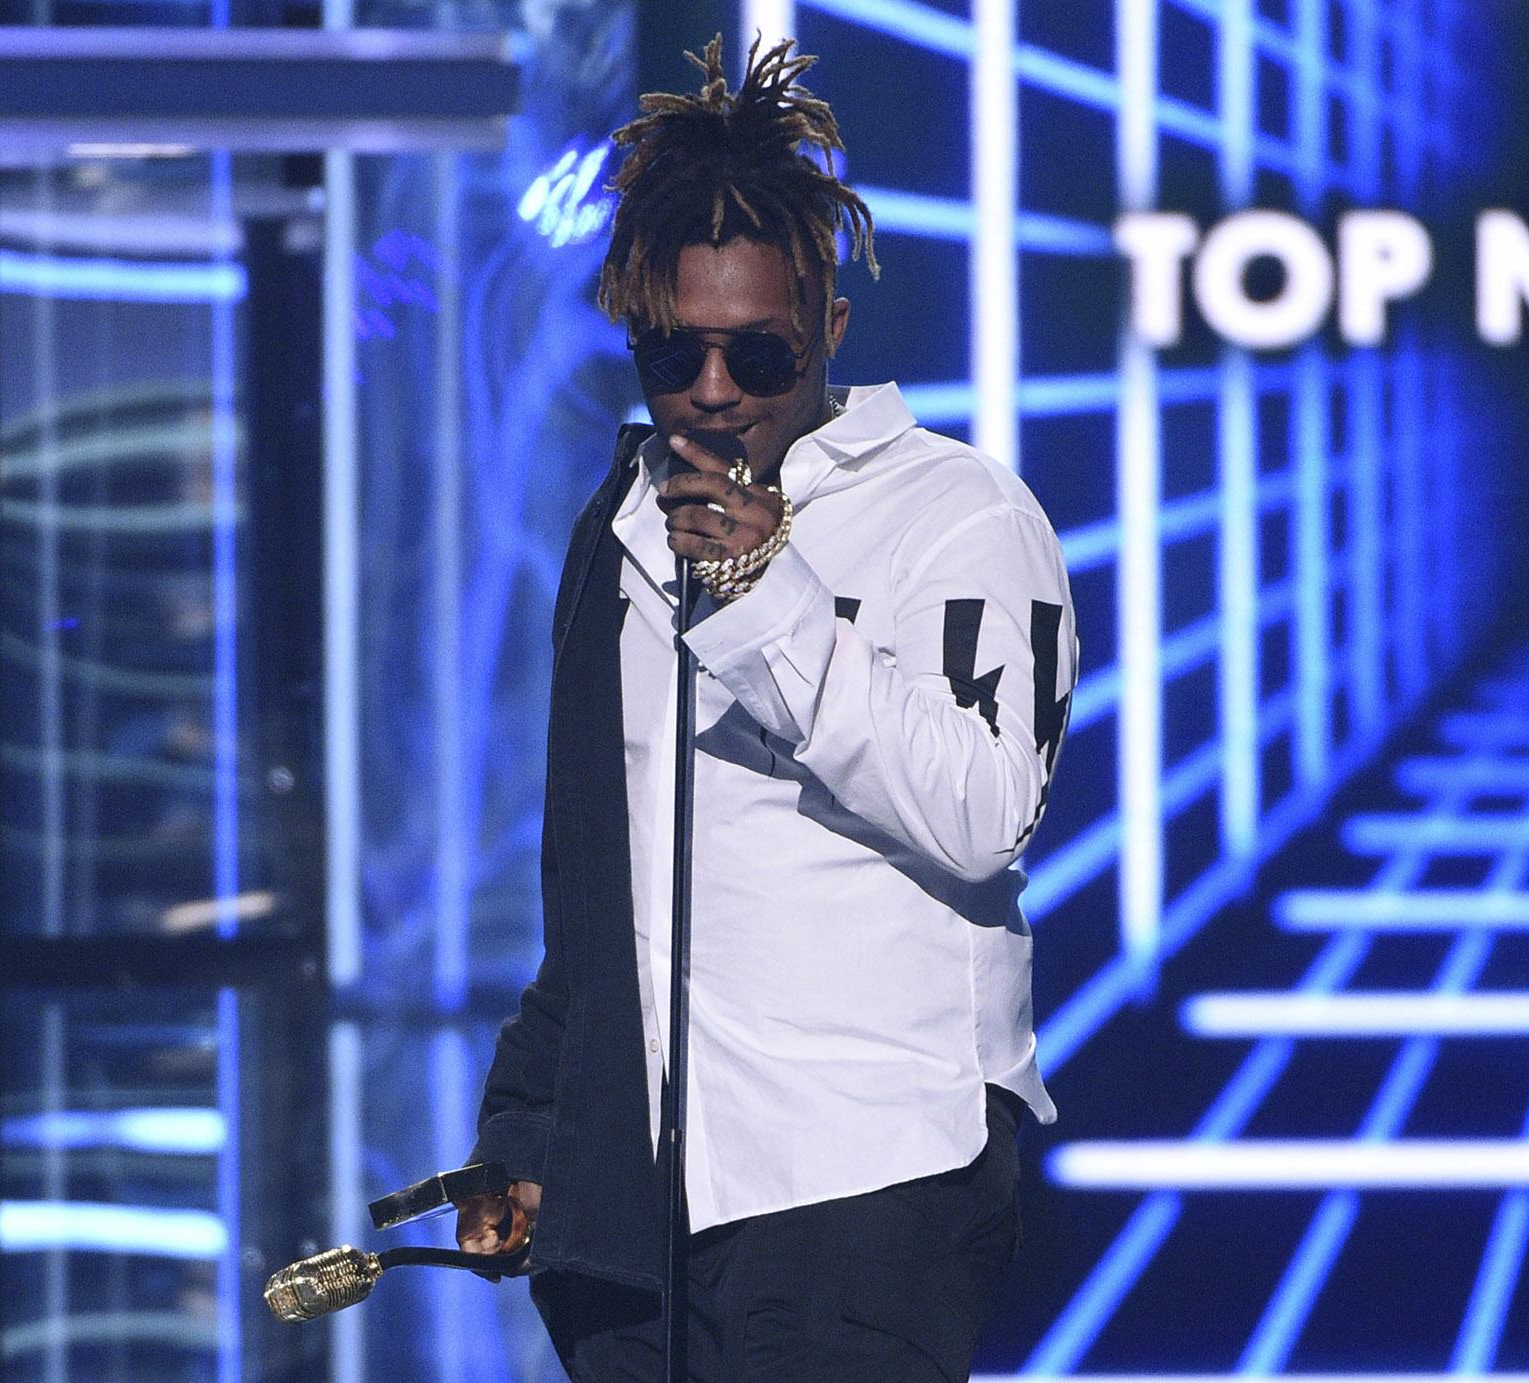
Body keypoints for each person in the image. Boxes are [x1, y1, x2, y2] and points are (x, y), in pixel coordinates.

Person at [455, 34, 1078, 1381]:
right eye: (677, 353)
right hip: (646, 1198)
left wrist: (760, 588)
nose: (718, 389)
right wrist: (525, 1128)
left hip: (870, 1178)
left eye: (759, 350)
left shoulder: (953, 515)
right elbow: (596, 893)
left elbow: (983, 813)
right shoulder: (617, 535)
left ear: (830, 331)